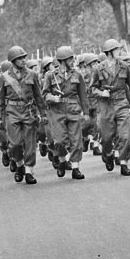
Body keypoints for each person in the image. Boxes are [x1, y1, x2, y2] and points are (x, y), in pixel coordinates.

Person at [0, 45, 45, 185]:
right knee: (15, 144)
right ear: (13, 61)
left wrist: (43, 113)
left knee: (30, 144)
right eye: (19, 58)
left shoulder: (32, 75)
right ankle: (20, 164)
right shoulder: (4, 78)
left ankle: (28, 171)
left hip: (28, 112)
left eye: (24, 57)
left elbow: (38, 97)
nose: (23, 60)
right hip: (12, 113)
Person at [91, 39, 130, 175]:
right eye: (117, 49)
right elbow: (92, 89)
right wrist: (102, 92)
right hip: (105, 105)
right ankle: (108, 154)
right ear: (109, 52)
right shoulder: (98, 68)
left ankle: (124, 163)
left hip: (122, 103)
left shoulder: (124, 66)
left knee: (125, 136)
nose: (119, 51)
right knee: (106, 137)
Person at [42, 45, 89, 179]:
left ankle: (75, 168)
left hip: (73, 110)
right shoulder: (50, 76)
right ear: (62, 61)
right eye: (69, 59)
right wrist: (53, 98)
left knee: (76, 141)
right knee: (59, 141)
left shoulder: (77, 75)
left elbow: (83, 95)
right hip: (57, 112)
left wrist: (86, 113)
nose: (72, 61)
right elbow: (44, 95)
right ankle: (62, 160)